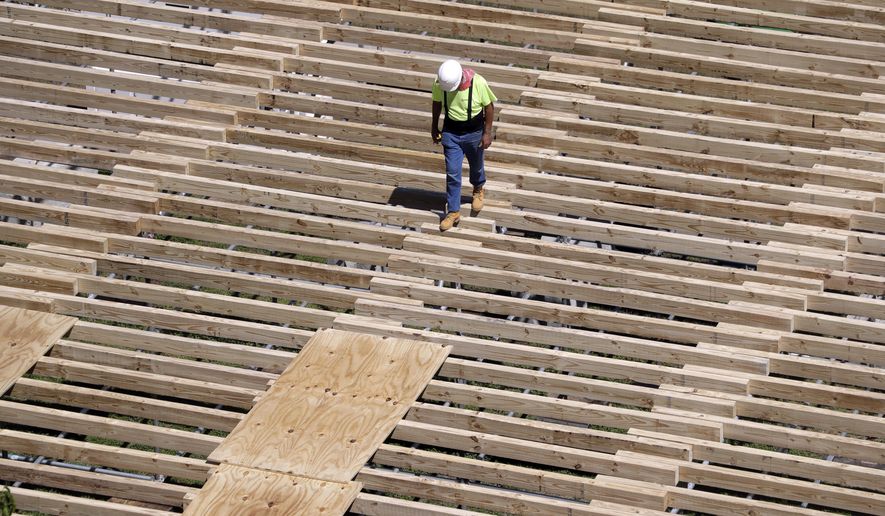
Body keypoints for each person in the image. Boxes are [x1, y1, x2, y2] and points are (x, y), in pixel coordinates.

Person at [431, 60, 496, 231]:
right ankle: (453, 211)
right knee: (452, 173)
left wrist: (487, 133)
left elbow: (489, 108)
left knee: (476, 165)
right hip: (451, 133)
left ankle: (478, 188)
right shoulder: (440, 82)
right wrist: (434, 125)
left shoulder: (478, 83)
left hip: (473, 132)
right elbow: (437, 102)